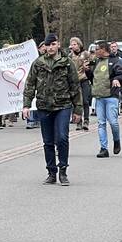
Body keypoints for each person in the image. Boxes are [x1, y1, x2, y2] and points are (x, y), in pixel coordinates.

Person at [22, 34, 83, 185]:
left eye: (53, 44)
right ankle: (51, 172)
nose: (50, 48)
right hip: (44, 106)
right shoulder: (38, 63)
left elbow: (75, 86)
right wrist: (26, 105)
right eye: (48, 45)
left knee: (62, 138)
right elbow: (30, 84)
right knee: (48, 141)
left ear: (58, 45)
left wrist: (78, 110)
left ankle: (63, 170)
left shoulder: (67, 63)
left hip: (63, 105)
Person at [91, 41, 122, 158]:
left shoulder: (115, 61)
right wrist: (86, 70)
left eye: (97, 49)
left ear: (103, 50)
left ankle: (116, 140)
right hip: (99, 97)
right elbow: (92, 77)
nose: (95, 52)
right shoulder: (96, 62)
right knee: (101, 123)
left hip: (111, 96)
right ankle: (103, 148)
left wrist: (117, 79)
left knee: (113, 122)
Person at [69, 37, 92, 131]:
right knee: (76, 102)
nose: (73, 46)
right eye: (72, 44)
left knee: (85, 101)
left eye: (75, 44)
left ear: (79, 44)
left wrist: (88, 68)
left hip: (84, 79)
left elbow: (91, 64)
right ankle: (79, 122)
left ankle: (86, 120)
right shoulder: (70, 56)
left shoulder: (85, 54)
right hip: (75, 81)